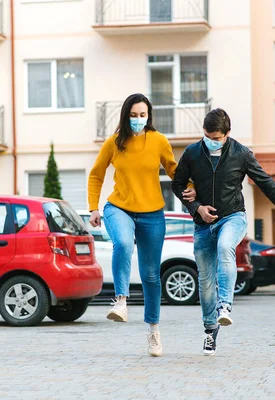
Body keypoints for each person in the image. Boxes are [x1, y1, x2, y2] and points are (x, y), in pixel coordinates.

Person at [172, 108, 275, 356]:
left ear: (227, 134)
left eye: (215, 137)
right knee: (205, 281)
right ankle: (210, 331)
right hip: (202, 223)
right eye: (206, 135)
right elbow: (177, 184)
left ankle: (225, 307)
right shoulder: (192, 153)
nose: (210, 140)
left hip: (233, 217)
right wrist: (196, 207)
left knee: (225, 248)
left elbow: (266, 183)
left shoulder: (241, 154)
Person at [87, 93, 195, 357]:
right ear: (126, 116)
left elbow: (174, 171)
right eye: (133, 115)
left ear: (149, 116)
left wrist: (190, 188)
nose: (138, 120)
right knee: (122, 243)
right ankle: (121, 301)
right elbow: (96, 174)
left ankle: (154, 332)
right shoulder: (114, 143)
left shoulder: (158, 141)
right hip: (119, 207)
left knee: (150, 275)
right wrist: (93, 207)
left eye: (142, 115)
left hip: (152, 213)